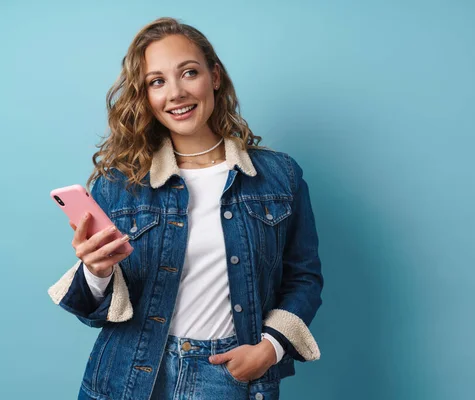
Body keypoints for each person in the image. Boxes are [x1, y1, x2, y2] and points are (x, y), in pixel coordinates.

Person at [48, 17, 323, 400]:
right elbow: (93, 311)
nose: (175, 93)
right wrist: (96, 272)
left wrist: (270, 348)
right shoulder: (119, 184)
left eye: (188, 73)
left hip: (227, 376)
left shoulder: (280, 176)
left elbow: (304, 279)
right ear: (145, 96)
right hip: (127, 377)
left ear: (214, 76)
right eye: (156, 81)